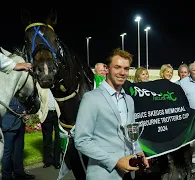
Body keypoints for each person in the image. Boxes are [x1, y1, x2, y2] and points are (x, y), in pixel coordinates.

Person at [74, 48, 149, 180]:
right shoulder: (91, 98)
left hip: (129, 172)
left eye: (126, 69)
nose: (122, 72)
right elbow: (82, 141)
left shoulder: (129, 100)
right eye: (117, 67)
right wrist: (115, 162)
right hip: (104, 174)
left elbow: (131, 133)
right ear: (107, 69)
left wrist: (138, 151)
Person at [1, 97, 35, 180]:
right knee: (7, 153)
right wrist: (20, 111)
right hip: (8, 126)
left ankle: (19, 173)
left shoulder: (18, 90)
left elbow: (21, 104)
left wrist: (25, 112)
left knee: (19, 151)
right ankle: (6, 176)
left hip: (20, 124)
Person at [36, 83, 61, 169]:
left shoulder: (56, 85)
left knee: (58, 138)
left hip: (57, 114)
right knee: (47, 139)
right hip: (46, 115)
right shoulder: (39, 86)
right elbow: (37, 101)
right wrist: (39, 114)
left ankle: (57, 161)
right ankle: (48, 161)